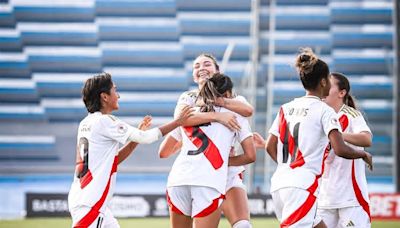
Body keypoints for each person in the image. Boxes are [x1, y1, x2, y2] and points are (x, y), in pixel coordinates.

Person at [259, 48, 373, 227]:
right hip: (304, 185)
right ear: (322, 82)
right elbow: (340, 148)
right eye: (328, 79)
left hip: (280, 183)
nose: (328, 82)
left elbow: (270, 147)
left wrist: (289, 167)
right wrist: (363, 154)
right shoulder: (324, 111)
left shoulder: (286, 107)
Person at [68, 72, 193, 228]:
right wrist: (179, 122)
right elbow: (147, 137)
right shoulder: (105, 121)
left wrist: (136, 139)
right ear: (104, 97)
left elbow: (115, 159)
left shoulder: (86, 122)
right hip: (91, 202)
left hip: (87, 200)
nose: (118, 95)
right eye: (114, 90)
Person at [160, 53, 255, 228]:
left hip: (226, 172)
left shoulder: (235, 101)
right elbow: (179, 122)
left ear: (218, 71)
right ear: (193, 75)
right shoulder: (188, 97)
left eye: (207, 64)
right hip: (202, 172)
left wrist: (220, 102)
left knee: (243, 226)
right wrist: (219, 117)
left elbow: (248, 110)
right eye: (196, 66)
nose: (201, 68)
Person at [317, 72, 373, 228]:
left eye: (329, 84)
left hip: (351, 198)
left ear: (342, 93)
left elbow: (367, 139)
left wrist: (337, 134)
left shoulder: (351, 115)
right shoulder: (319, 117)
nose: (324, 88)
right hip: (324, 198)